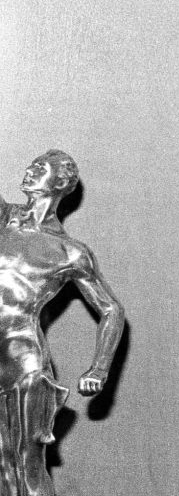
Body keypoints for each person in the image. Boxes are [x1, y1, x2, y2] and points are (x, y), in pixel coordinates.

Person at [0, 150, 125, 496]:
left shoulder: (69, 251)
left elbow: (111, 309)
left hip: (22, 358)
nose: (29, 169)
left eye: (40, 167)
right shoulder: (4, 219)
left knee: (26, 464)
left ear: (60, 182)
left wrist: (99, 368)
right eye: (31, 164)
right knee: (1, 468)